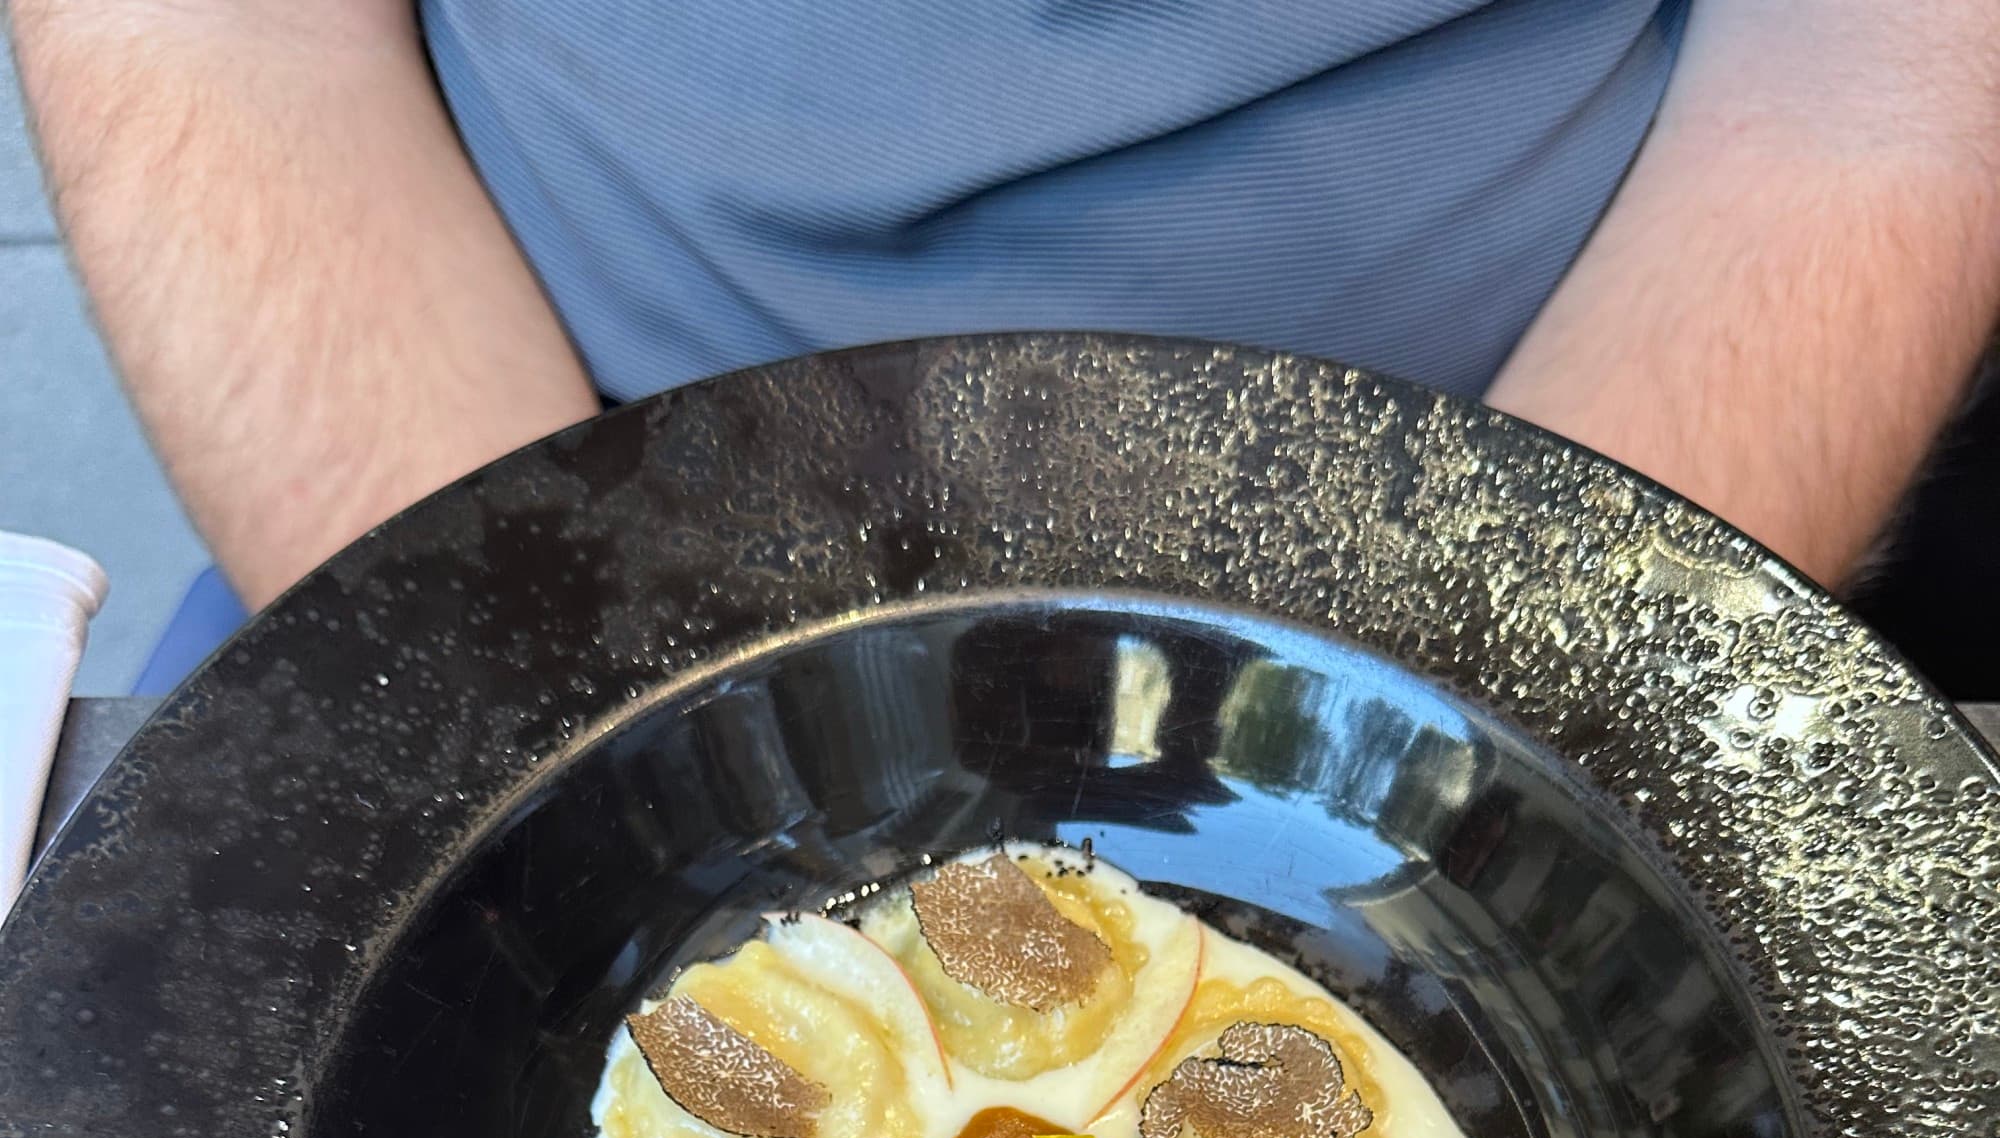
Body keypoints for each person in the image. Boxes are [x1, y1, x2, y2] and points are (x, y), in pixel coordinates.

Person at [13, 0, 2000, 636]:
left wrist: (1486, 751)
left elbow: (1875, 75)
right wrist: (570, 733)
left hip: (1594, 525)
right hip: (501, 495)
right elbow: (223, 32)